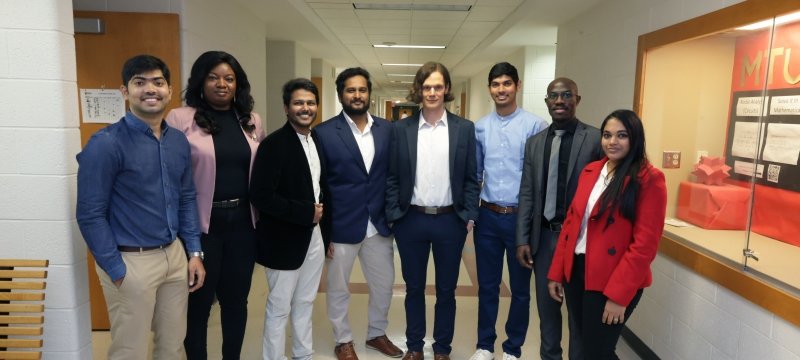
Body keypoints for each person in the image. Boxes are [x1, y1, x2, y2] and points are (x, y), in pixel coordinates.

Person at [76, 54, 206, 360]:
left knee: (173, 345)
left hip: (174, 257)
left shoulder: (177, 142)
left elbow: (187, 197)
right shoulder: (105, 144)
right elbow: (89, 214)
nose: (151, 89)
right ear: (125, 91)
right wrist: (116, 269)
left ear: (170, 91)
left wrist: (194, 252)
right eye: (140, 82)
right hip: (130, 260)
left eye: (158, 82)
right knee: (130, 350)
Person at [165, 50, 265, 360]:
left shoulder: (251, 120)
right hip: (202, 227)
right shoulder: (181, 118)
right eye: (213, 77)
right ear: (200, 81)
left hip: (243, 225)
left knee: (237, 302)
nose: (221, 84)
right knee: (199, 303)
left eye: (229, 78)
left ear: (238, 84)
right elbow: (171, 176)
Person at [547, 110, 667, 359]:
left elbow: (644, 246)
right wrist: (557, 272)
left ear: (635, 139)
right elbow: (571, 226)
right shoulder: (592, 171)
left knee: (597, 351)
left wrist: (618, 296)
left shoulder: (649, 179)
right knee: (586, 345)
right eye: (607, 135)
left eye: (621, 135)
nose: (613, 141)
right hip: (577, 271)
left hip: (611, 278)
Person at [386, 61, 480, 360]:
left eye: (438, 86)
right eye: (427, 87)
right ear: (419, 90)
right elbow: (391, 176)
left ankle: (441, 349)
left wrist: (468, 216)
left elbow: (471, 177)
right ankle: (414, 346)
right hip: (410, 220)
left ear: (447, 89)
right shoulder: (401, 129)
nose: (432, 92)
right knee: (413, 288)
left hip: (450, 220)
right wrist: (393, 215)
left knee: (446, 291)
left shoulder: (464, 129)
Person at [312, 67, 403, 360]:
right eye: (350, 90)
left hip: (378, 224)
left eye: (362, 90)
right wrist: (324, 230)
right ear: (341, 95)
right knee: (338, 288)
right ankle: (343, 340)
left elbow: (393, 175)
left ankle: (376, 333)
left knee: (384, 284)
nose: (357, 95)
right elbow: (320, 183)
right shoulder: (324, 133)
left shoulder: (387, 129)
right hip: (341, 225)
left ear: (369, 94)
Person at [515, 77, 601, 360]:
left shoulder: (595, 139)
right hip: (545, 238)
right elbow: (527, 193)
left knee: (578, 314)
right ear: (547, 102)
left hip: (579, 241)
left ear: (578, 99)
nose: (560, 100)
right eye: (554, 96)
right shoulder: (535, 143)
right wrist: (523, 238)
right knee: (547, 312)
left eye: (567, 95)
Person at [470, 62, 548, 360]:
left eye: (506, 83)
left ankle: (512, 349)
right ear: (489, 89)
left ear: (517, 85)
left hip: (520, 220)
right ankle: (485, 345)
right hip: (488, 217)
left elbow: (538, 181)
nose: (501, 89)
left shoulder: (535, 126)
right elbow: (476, 175)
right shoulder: (480, 127)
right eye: (495, 84)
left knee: (520, 290)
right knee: (487, 286)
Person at [250, 78, 328, 360]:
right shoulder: (273, 145)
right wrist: (304, 211)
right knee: (280, 305)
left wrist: (323, 231)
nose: (305, 108)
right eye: (298, 103)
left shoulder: (315, 139)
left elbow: (321, 187)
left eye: (310, 102)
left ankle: (303, 354)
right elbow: (260, 195)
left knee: (306, 301)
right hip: (283, 239)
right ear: (286, 108)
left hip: (314, 237)